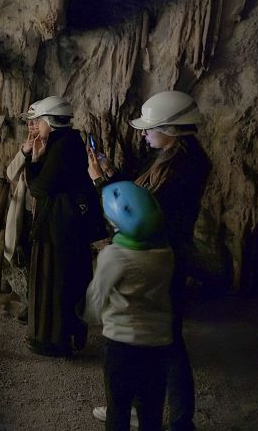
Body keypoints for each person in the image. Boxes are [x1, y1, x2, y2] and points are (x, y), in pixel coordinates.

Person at [87, 91, 211, 431]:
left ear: (170, 129)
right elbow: (141, 199)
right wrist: (112, 174)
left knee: (163, 344)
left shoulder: (180, 169)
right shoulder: (177, 158)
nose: (143, 134)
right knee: (163, 340)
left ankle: (172, 418)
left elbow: (140, 217)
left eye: (149, 128)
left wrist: (101, 183)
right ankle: (153, 411)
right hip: (167, 255)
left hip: (159, 257)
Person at [83, 181, 175, 431]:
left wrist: (88, 316)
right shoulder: (166, 253)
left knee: (118, 408)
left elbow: (96, 298)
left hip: (121, 343)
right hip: (158, 342)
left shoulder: (114, 256)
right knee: (151, 410)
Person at [22, 96, 101, 356]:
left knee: (56, 283)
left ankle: (54, 341)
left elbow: (38, 188)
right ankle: (65, 338)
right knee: (67, 281)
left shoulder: (61, 146)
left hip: (58, 229)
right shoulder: (69, 142)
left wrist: (32, 161)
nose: (35, 126)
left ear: (49, 121)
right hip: (67, 227)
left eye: (38, 121)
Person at [1, 117, 36, 307]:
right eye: (30, 123)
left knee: (40, 260)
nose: (31, 126)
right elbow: (11, 174)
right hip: (27, 213)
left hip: (41, 214)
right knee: (26, 257)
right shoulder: (27, 149)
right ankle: (31, 303)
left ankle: (37, 304)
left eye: (35, 122)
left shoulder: (53, 150)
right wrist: (24, 151)